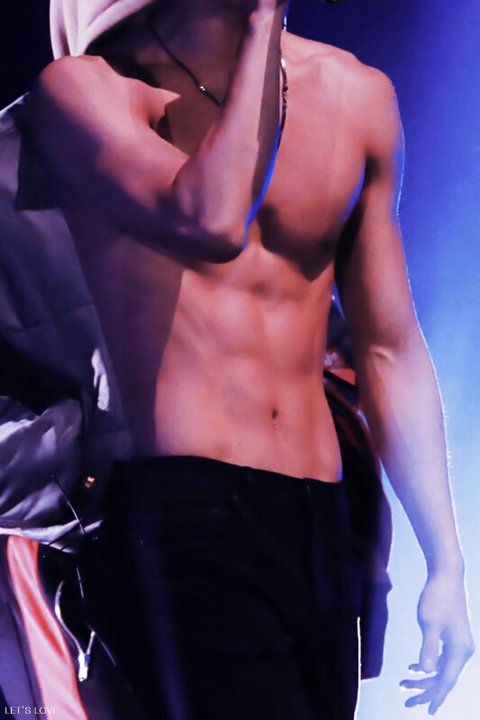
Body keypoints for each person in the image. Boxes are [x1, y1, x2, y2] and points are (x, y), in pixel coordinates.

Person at [18, 0, 473, 717]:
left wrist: (445, 561)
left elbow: (389, 345)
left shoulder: (356, 95)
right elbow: (209, 218)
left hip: (321, 519)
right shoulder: (89, 89)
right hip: (179, 512)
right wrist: (264, 22)